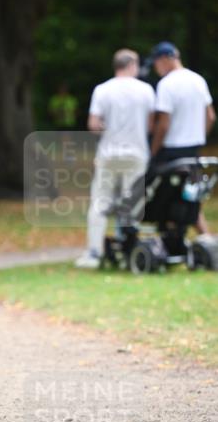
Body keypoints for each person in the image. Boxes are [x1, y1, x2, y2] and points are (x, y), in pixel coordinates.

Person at [75, 49, 156, 269]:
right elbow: (151, 124)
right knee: (131, 204)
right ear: (132, 65)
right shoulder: (146, 90)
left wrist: (107, 128)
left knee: (100, 202)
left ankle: (94, 252)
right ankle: (129, 249)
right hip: (137, 153)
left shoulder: (102, 90)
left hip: (109, 154)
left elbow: (93, 124)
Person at [149, 41, 215, 234]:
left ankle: (168, 238)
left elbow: (163, 123)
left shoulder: (166, 84)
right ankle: (206, 239)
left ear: (165, 59)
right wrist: (199, 137)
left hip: (171, 151)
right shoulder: (198, 80)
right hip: (193, 150)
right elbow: (210, 116)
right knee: (190, 196)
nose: (156, 68)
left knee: (166, 196)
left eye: (156, 63)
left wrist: (153, 152)